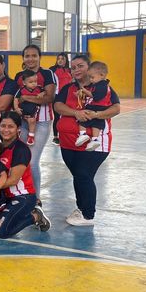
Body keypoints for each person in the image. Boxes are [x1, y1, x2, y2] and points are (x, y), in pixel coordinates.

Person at [54, 55, 120, 226]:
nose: (76, 70)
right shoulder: (68, 88)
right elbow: (58, 106)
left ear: (89, 68)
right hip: (69, 143)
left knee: (84, 175)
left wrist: (96, 114)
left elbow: (116, 108)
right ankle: (81, 209)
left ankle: (88, 215)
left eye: (80, 66)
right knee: (78, 176)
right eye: (73, 67)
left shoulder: (102, 87)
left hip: (94, 143)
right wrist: (75, 113)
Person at [0, 112, 51, 239]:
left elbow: (13, 180)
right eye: (3, 126)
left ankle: (35, 216)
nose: (6, 130)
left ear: (18, 128)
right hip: (3, 194)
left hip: (22, 196)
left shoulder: (21, 149)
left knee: (1, 232)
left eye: (10, 126)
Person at [14, 45, 56, 197]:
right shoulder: (19, 75)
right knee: (21, 160)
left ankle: (36, 199)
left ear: (39, 57)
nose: (30, 59)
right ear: (23, 58)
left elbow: (49, 98)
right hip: (23, 122)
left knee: (32, 162)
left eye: (34, 55)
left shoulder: (47, 73)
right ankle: (23, 194)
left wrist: (26, 98)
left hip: (41, 122)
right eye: (27, 56)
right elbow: (16, 98)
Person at [75, 61, 112, 151]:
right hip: (101, 108)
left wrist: (84, 91)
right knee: (96, 124)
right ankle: (95, 139)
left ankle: (83, 134)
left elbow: (95, 96)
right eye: (90, 78)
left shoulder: (101, 85)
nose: (91, 80)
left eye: (92, 77)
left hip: (96, 107)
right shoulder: (101, 85)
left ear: (102, 75)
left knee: (83, 117)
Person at [13, 70, 43, 146]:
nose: (34, 84)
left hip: (33, 109)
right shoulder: (21, 90)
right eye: (31, 82)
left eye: (35, 81)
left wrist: (42, 93)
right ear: (24, 83)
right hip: (22, 109)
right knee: (17, 120)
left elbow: (46, 92)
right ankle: (18, 131)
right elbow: (16, 99)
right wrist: (16, 108)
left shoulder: (39, 88)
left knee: (32, 121)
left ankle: (31, 136)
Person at [50, 52, 72, 145]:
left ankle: (66, 135)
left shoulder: (70, 70)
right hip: (57, 96)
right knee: (57, 117)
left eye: (62, 59)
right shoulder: (52, 70)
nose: (60, 60)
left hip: (68, 97)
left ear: (66, 60)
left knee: (67, 116)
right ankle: (55, 137)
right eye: (58, 59)